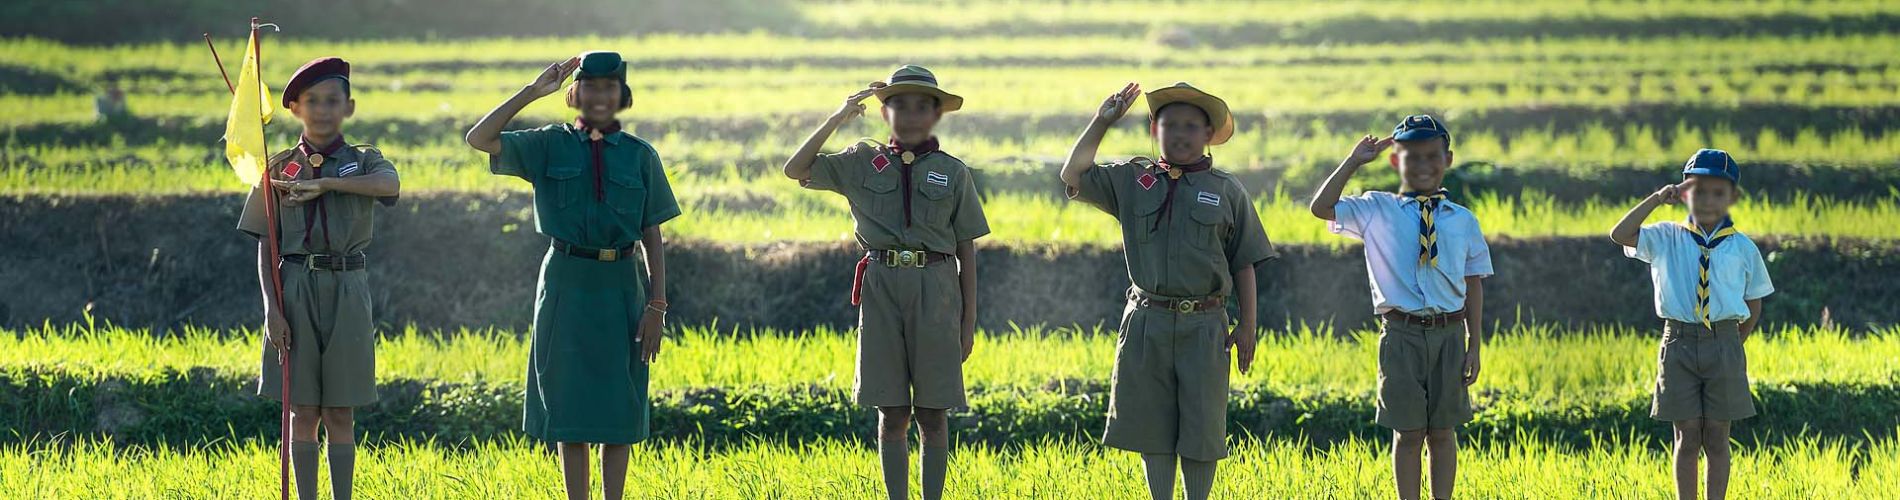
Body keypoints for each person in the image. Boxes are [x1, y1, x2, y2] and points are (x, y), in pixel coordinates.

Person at [464, 51, 680, 500]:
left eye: (609, 87)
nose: (600, 96)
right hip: (565, 282)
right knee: (570, 406)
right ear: (574, 93)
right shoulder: (548, 144)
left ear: (622, 95)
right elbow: (480, 138)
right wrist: (531, 90)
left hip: (621, 286)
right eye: (591, 86)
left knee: (620, 407)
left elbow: (651, 234)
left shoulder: (640, 156)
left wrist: (657, 305)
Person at [780, 65, 989, 500]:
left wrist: (968, 323)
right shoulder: (861, 161)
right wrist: (839, 115)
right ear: (884, 111)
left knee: (933, 413)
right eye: (899, 105)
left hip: (936, 289)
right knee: (891, 412)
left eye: (922, 107)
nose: (910, 115)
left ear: (936, 115)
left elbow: (967, 250)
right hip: (881, 286)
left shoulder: (953, 173)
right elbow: (795, 168)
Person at [1059, 82, 1277, 500]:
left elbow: (1244, 261)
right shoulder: (1132, 179)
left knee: (1202, 429)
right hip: (1146, 320)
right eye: (1169, 124)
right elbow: (1073, 173)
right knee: (1151, 429)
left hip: (1205, 324)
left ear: (1208, 134)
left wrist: (1247, 325)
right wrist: (1102, 121)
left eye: (1191, 126)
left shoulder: (1226, 190)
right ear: (1153, 129)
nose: (1180, 133)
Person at [238, 56, 400, 500]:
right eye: (312, 101)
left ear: (349, 107)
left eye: (333, 101)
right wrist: (273, 310)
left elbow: (390, 186)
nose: (323, 109)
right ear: (294, 108)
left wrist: (328, 185)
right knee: (302, 411)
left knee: (341, 412)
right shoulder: (278, 167)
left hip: (347, 287)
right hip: (295, 288)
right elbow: (264, 244)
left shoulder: (364, 161)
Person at [1308, 115, 1492, 500]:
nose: (1423, 166)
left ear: (1448, 159)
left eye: (1432, 156)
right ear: (1396, 162)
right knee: (1407, 432)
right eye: (1413, 158)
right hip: (1401, 334)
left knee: (1443, 432)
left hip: (1449, 334)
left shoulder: (1463, 220)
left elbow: (1472, 283)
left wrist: (1474, 343)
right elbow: (1321, 207)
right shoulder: (1376, 208)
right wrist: (1354, 161)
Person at [1610, 148, 1772, 500]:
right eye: (1698, 190)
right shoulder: (1666, 236)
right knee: (1685, 434)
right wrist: (1656, 198)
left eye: (1718, 192)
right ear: (1683, 193)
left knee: (1716, 434)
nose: (1708, 200)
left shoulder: (1742, 248)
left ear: (1733, 197)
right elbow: (1620, 234)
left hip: (1725, 341)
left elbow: (1754, 303)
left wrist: (1732, 343)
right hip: (1678, 342)